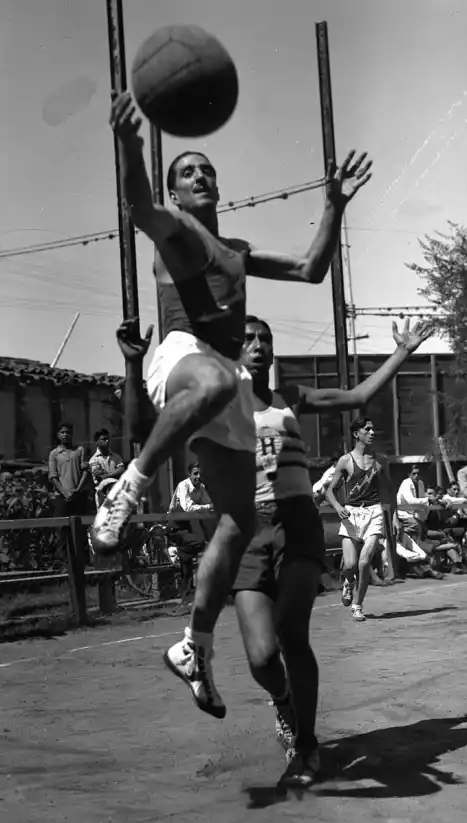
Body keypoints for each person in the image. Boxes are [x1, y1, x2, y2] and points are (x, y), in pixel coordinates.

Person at [93, 91, 373, 717]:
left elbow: (310, 269)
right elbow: (138, 204)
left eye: (207, 170)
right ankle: (129, 486)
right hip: (184, 360)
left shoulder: (238, 253)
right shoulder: (174, 231)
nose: (201, 177)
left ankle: (194, 645)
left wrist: (332, 204)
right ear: (177, 192)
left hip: (224, 391)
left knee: (237, 523)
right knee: (220, 381)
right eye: (188, 171)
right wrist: (132, 145)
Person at [119, 313, 433, 786]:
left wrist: (403, 352)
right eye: (248, 339)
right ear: (232, 352)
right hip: (247, 533)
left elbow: (357, 396)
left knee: (292, 632)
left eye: (266, 338)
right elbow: (144, 430)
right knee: (262, 657)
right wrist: (132, 366)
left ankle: (306, 746)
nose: (259, 345)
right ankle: (285, 704)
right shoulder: (214, 404)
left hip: (297, 523)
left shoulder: (291, 398)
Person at [325, 417, 396, 621]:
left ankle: (357, 605)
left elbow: (389, 490)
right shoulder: (345, 461)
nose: (372, 433)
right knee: (350, 565)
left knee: (364, 563)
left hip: (374, 512)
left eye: (373, 429)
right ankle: (348, 582)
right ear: (357, 434)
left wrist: (394, 517)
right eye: (368, 429)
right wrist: (338, 508)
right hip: (351, 515)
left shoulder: (380, 460)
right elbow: (330, 491)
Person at [168, 463, 214, 603]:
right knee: (199, 543)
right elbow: (187, 507)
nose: (198, 477)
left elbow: (209, 504)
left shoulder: (201, 487)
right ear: (189, 475)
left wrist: (215, 506)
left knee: (189, 558)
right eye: (195, 474)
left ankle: (187, 595)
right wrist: (208, 506)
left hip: (186, 527)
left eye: (200, 474)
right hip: (174, 526)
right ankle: (175, 550)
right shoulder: (183, 486)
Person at [48, 424, 90, 562]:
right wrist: (65, 493)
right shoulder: (54, 453)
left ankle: (81, 562)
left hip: (79, 496)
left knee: (80, 530)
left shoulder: (79, 450)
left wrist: (77, 490)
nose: (65, 435)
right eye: (62, 432)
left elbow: (85, 471)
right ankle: (63, 563)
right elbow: (53, 477)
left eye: (68, 432)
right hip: (62, 497)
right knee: (61, 530)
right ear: (58, 435)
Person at [89, 429, 126, 509]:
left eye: (108, 438)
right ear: (97, 442)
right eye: (103, 439)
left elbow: (121, 470)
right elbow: (99, 475)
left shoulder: (116, 457)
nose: (107, 441)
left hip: (118, 493)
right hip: (102, 495)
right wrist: (115, 473)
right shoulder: (94, 460)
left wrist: (107, 475)